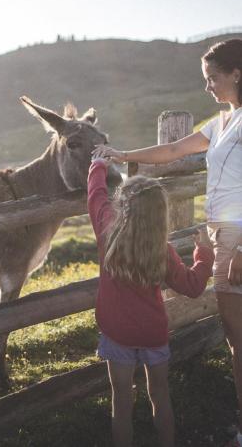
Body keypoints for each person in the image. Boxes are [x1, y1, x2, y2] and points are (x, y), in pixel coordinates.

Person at [94, 37, 242, 446]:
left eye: (212, 78)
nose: (208, 86)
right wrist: (122, 155)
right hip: (222, 234)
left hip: (238, 238)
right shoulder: (222, 122)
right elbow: (175, 148)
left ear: (237, 73)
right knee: (235, 337)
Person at [88, 158, 214, 447]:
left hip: (117, 332)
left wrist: (98, 164)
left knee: (121, 401)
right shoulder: (162, 250)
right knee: (160, 394)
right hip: (152, 334)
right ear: (160, 215)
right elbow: (193, 287)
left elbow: (95, 195)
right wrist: (204, 253)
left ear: (122, 206)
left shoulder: (107, 229)